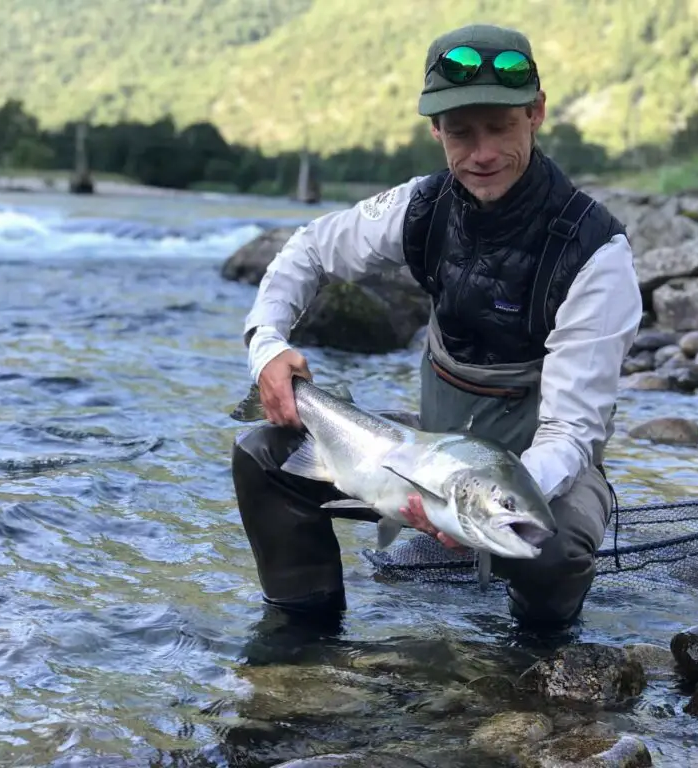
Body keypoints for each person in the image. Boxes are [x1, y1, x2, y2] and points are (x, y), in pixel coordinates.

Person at [229, 23, 643, 634]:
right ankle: (303, 638)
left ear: (537, 113)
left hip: (545, 468)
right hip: (430, 450)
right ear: (436, 132)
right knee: (260, 455)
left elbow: (570, 432)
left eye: (500, 127)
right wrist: (267, 346)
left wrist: (466, 503)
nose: (482, 153)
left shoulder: (595, 255)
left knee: (548, 547)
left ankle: (536, 654)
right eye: (461, 132)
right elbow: (308, 251)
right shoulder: (420, 210)